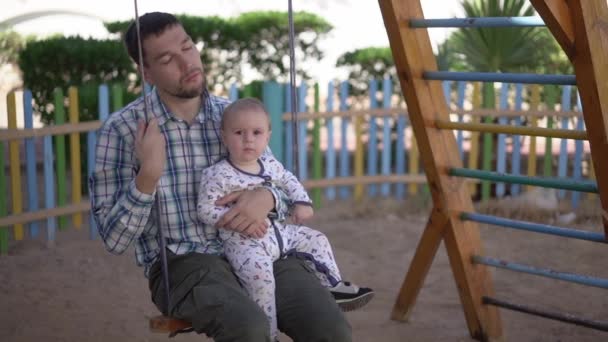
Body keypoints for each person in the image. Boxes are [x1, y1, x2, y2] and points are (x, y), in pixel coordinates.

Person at [89, 12, 353, 342]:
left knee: (330, 329)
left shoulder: (234, 117)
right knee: (250, 329)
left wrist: (268, 197)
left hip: (261, 246)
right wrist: (148, 177)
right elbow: (115, 240)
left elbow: (283, 186)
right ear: (146, 73)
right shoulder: (123, 131)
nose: (187, 64)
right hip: (186, 263)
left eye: (187, 47)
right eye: (168, 59)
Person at [197, 98, 374, 341]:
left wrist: (302, 202)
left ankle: (332, 285)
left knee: (316, 239)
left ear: (267, 137)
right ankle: (269, 335)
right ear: (224, 136)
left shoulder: (269, 164)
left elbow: (289, 181)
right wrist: (234, 218)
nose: (248, 139)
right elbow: (205, 209)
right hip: (246, 243)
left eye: (256, 133)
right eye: (239, 133)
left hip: (282, 235)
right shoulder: (218, 174)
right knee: (261, 283)